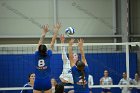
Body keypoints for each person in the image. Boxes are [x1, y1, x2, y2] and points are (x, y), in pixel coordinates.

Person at [33, 23, 61, 93]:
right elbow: (52, 42)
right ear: (46, 50)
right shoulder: (48, 54)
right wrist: (56, 30)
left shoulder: (36, 54)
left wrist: (44, 32)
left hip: (37, 81)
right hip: (46, 81)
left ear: (39, 50)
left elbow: (40, 41)